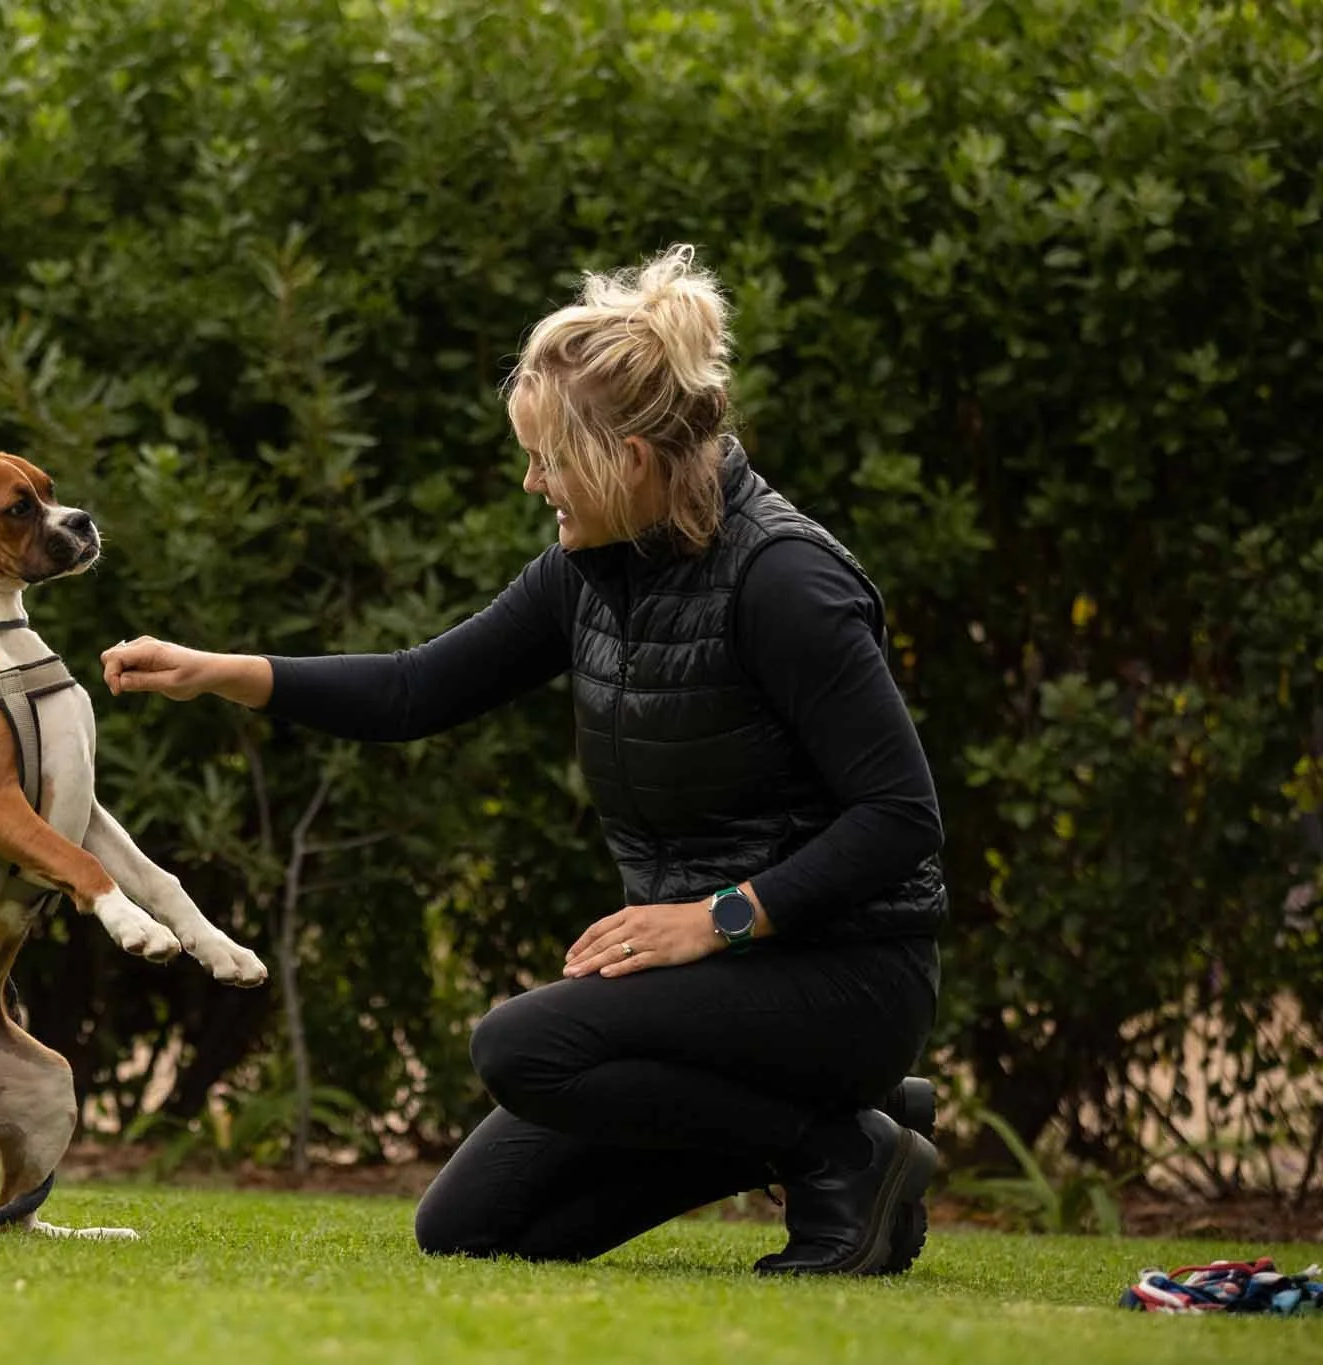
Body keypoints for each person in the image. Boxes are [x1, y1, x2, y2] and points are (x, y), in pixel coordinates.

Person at [98, 244, 946, 1276]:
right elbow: (418, 691)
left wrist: (716, 918)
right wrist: (220, 671)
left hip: (842, 976)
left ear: (628, 458)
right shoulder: (591, 571)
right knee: (472, 1229)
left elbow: (899, 817)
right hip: (711, 988)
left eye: (546, 458)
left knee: (521, 1047)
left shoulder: (783, 580)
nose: (531, 480)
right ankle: (850, 1130)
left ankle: (836, 1148)